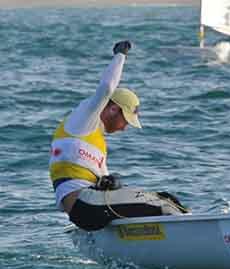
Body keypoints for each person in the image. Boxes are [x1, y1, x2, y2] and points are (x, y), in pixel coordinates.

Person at [49, 40, 188, 231]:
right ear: (114, 109)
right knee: (165, 204)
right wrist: (120, 54)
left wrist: (107, 181)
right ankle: (197, 232)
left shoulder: (93, 138)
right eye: (126, 121)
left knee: (165, 198)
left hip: (86, 207)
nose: (124, 128)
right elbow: (107, 86)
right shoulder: (84, 118)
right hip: (83, 204)